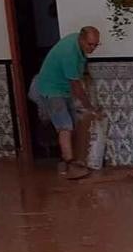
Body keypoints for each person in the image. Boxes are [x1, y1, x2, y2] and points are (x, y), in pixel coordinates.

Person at [29, 26, 101, 179]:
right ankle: (70, 165)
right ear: (82, 39)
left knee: (72, 123)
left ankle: (64, 161)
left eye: (96, 45)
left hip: (62, 89)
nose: (93, 48)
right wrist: (89, 107)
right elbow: (76, 86)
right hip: (51, 90)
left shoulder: (77, 43)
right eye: (90, 44)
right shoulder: (69, 53)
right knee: (65, 126)